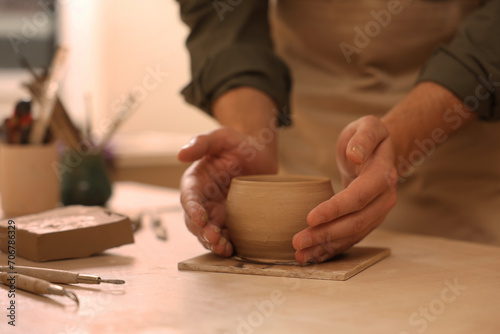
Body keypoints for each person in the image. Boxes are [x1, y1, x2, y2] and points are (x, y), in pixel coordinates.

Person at [176, 0, 500, 264]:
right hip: (306, 150)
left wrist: (397, 141)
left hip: (465, 173)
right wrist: (250, 137)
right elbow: (221, 13)